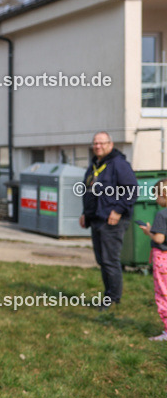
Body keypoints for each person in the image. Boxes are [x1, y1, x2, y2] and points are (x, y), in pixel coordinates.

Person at [80, 131, 137, 310]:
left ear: (110, 145)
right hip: (96, 219)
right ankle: (109, 294)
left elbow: (131, 190)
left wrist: (118, 210)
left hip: (112, 220)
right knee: (101, 260)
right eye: (95, 143)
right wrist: (85, 213)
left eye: (102, 143)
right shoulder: (94, 165)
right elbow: (89, 192)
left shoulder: (119, 164)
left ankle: (112, 298)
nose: (98, 146)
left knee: (110, 260)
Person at [138, 179, 167, 341]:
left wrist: (149, 231)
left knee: (163, 293)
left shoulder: (162, 214)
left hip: (163, 260)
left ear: (163, 195)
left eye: (156, 195)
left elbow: (159, 238)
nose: (156, 199)